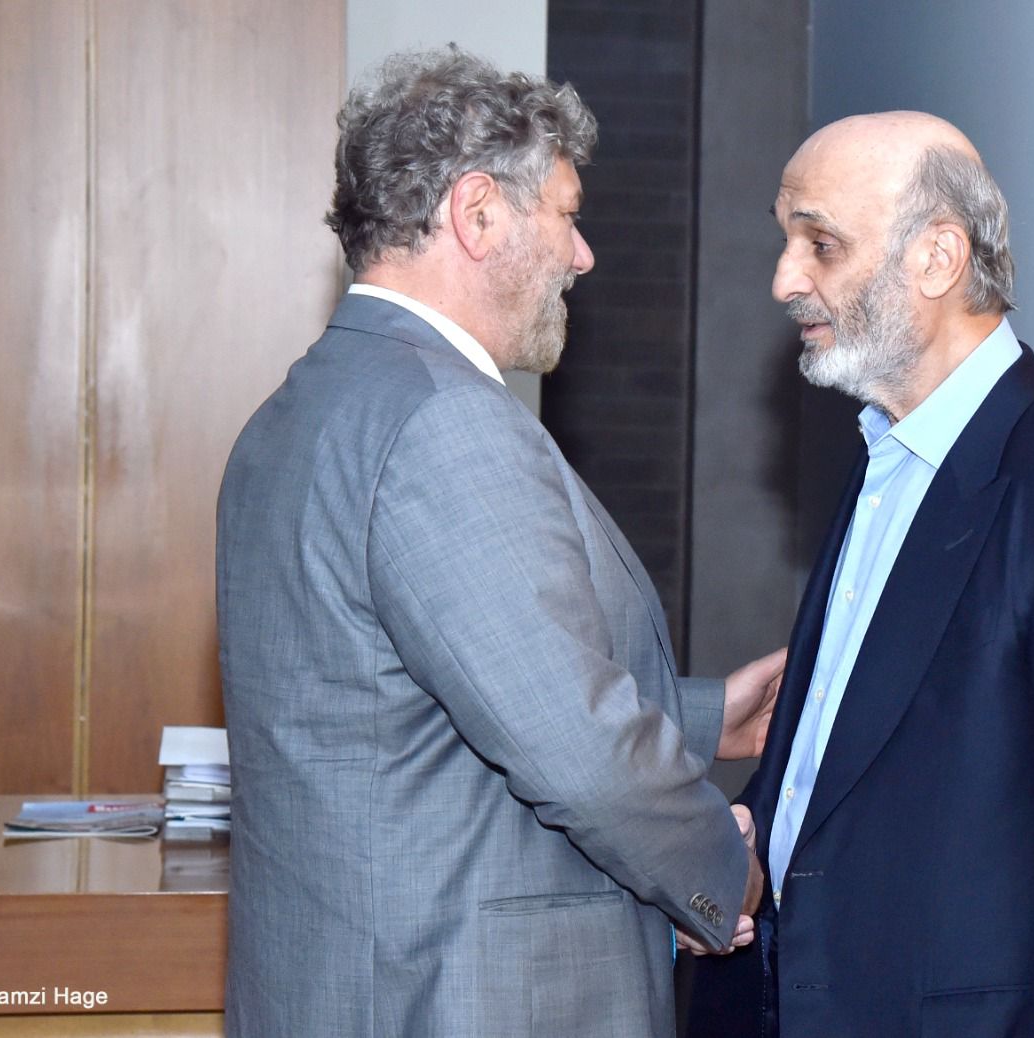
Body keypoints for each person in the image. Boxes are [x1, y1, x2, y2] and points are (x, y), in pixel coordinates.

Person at [215, 48, 776, 1037]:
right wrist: (719, 871)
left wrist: (701, 718)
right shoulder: (444, 423)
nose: (582, 255)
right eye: (565, 214)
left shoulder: (296, 412)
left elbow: (403, 704)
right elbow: (580, 754)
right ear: (477, 214)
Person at [687, 112, 1034, 1037]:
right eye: (787, 241)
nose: (784, 279)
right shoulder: (886, 459)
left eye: (820, 244)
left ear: (937, 258)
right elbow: (845, 780)